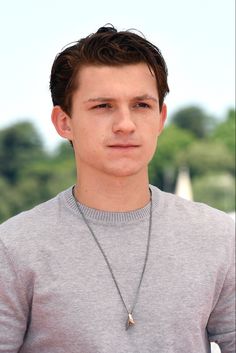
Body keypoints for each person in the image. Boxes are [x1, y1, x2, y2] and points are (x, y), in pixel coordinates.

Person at [0, 25, 235, 353]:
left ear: (160, 118)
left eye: (141, 105)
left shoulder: (220, 237)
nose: (125, 124)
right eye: (103, 106)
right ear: (64, 122)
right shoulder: (12, 248)